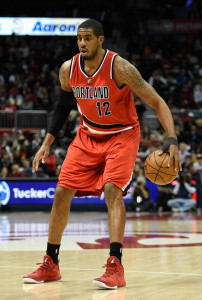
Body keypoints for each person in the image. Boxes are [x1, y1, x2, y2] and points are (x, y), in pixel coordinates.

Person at [23, 19, 181, 289]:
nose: (82, 43)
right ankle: (51, 262)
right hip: (88, 135)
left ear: (100, 40)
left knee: (112, 189)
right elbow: (63, 107)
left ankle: (115, 265)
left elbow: (156, 101)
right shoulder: (68, 69)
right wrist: (47, 142)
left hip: (122, 134)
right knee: (61, 191)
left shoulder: (120, 68)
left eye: (87, 38)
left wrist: (172, 139)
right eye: (79, 38)